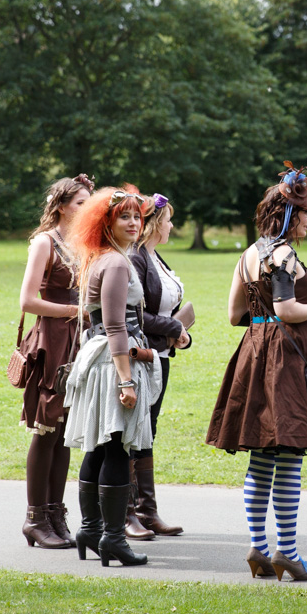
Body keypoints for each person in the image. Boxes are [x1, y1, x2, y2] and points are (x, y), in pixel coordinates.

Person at [207, 163, 307, 582]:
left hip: (255, 351)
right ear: (288, 215)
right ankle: (287, 552)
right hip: (287, 355)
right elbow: (288, 310)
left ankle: (258, 547)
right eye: (305, 213)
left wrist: (263, 319)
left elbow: (235, 314)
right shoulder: (283, 254)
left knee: (262, 454)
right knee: (288, 455)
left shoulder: (249, 254)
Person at [63, 186, 163, 567]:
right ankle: (113, 538)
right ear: (106, 221)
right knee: (118, 447)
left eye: (137, 216)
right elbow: (116, 326)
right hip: (112, 363)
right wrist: (126, 380)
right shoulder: (117, 264)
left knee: (98, 447)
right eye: (124, 216)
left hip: (97, 359)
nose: (134, 223)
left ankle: (91, 529)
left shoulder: (99, 257)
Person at [17, 174, 93, 549]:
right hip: (53, 341)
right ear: (61, 206)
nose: (86, 208)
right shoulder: (45, 242)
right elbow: (27, 301)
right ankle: (35, 518)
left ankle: (56, 514)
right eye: (81, 202)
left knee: (65, 431)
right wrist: (72, 310)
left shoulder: (85, 242)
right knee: (46, 429)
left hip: (80, 342)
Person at [128, 193, 191, 537]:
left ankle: (146, 510)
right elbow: (138, 314)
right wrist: (175, 328)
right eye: (168, 221)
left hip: (161, 356)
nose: (171, 226)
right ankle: (129, 513)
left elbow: (166, 309)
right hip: (142, 356)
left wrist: (181, 332)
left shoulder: (155, 256)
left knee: (147, 430)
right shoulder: (136, 258)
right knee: (135, 430)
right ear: (155, 224)